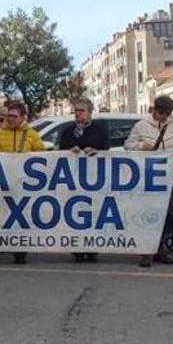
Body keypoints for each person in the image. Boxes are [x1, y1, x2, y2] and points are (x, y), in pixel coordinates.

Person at [125, 95, 173, 267]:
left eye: (167, 114)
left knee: (163, 215)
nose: (163, 117)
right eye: (161, 113)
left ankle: (158, 249)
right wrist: (141, 147)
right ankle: (146, 251)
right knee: (147, 213)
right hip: (147, 177)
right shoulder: (141, 126)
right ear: (154, 110)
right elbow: (127, 145)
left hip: (168, 177)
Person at [0, 101, 45, 266]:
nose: (11, 119)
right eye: (9, 116)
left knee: (19, 219)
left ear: (23, 117)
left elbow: (42, 155)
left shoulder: (32, 135)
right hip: (1, 183)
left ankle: (19, 252)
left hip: (22, 184)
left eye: (14, 116)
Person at [57, 97, 109, 263]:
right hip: (73, 179)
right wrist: (69, 151)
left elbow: (106, 149)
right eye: (76, 111)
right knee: (75, 213)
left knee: (93, 212)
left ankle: (92, 247)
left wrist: (96, 151)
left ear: (89, 112)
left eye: (81, 110)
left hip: (94, 179)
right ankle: (77, 247)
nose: (78, 114)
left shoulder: (99, 129)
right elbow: (60, 151)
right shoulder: (68, 130)